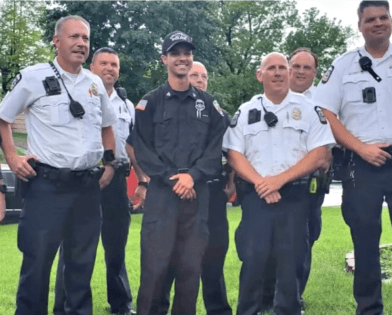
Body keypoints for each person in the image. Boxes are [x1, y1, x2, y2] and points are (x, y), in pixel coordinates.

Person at [0, 15, 117, 315]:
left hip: (87, 189)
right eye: (74, 37)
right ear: (56, 40)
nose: (81, 43)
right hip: (46, 188)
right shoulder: (33, 76)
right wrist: (12, 158)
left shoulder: (94, 83)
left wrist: (109, 163)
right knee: (36, 265)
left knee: (81, 268)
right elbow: (3, 118)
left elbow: (107, 126)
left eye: (86, 39)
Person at [313, 1, 392, 314]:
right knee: (364, 240)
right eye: (370, 19)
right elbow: (325, 112)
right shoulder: (344, 65)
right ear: (360, 25)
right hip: (362, 165)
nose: (378, 23)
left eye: (383, 17)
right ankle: (369, 309)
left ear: (391, 21)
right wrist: (360, 147)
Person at [224, 52, 335, 315]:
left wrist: (279, 181)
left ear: (288, 73)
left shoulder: (309, 110)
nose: (277, 72)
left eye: (282, 68)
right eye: (270, 68)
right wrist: (262, 183)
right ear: (259, 75)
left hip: (295, 198)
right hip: (255, 197)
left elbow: (319, 153)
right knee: (253, 260)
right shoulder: (246, 111)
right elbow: (233, 153)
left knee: (291, 264)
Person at [131, 31, 226, 315]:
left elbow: (216, 146)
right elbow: (142, 148)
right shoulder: (149, 103)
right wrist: (174, 179)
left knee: (190, 267)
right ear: (165, 59)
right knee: (155, 266)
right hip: (163, 194)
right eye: (176, 53)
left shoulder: (209, 104)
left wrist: (193, 176)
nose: (182, 58)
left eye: (187, 52)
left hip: (198, 194)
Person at [53, 47, 136, 315]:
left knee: (116, 247)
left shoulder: (126, 104)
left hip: (117, 181)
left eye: (114, 64)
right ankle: (65, 306)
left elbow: (132, 146)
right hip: (85, 179)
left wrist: (142, 180)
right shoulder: (77, 93)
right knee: (73, 247)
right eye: (104, 63)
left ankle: (121, 304)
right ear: (92, 66)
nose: (109, 68)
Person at [157, 61, 234, 315]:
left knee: (213, 255)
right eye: (195, 75)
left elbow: (234, 151)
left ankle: (218, 310)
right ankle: (159, 308)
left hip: (211, 193)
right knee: (169, 257)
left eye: (204, 76)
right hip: (176, 194)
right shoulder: (164, 108)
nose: (200, 80)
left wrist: (231, 181)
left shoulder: (219, 113)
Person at [261, 48, 329, 313]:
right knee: (268, 241)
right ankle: (268, 297)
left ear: (314, 73)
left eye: (306, 68)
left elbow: (325, 149)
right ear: (287, 69)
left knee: (305, 239)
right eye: (295, 66)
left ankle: (293, 297)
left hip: (310, 186)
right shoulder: (269, 101)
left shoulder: (323, 104)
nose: (300, 72)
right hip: (271, 186)